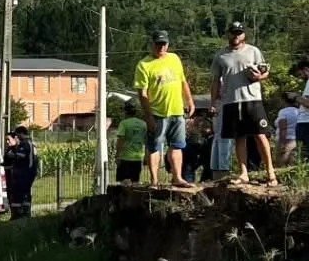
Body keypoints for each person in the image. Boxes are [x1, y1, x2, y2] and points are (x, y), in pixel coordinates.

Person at [208, 21, 276, 185]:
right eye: (233, 32)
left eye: (239, 32)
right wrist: (213, 102)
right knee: (239, 137)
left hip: (252, 99)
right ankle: (243, 173)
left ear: (244, 34)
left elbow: (265, 71)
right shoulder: (220, 55)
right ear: (228, 34)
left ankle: (270, 173)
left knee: (260, 135)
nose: (236, 36)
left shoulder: (253, 51)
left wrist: (260, 77)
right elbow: (215, 81)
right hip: (231, 101)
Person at [134, 30, 195, 187]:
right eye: (158, 44)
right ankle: (154, 180)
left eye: (164, 44)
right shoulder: (144, 64)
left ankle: (178, 177)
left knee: (177, 145)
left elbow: (182, 81)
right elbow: (142, 93)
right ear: (152, 44)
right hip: (158, 113)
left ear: (167, 44)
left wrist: (189, 100)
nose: (161, 47)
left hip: (176, 110)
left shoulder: (174, 58)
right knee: (155, 147)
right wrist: (148, 116)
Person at [3, 126, 39, 219]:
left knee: (18, 194)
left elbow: (19, 157)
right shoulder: (30, 143)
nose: (17, 136)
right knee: (25, 194)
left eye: (17, 134)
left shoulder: (25, 144)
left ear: (22, 133)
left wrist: (12, 155)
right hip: (28, 173)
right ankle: (25, 213)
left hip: (23, 173)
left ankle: (17, 214)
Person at [114, 101, 148, 184]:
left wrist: (117, 155)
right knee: (135, 182)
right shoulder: (143, 124)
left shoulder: (124, 123)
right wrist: (146, 156)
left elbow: (120, 140)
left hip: (125, 157)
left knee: (124, 183)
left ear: (125, 112)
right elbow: (147, 141)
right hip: (138, 157)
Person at [274, 93, 299, 165]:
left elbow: (283, 128)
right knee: (292, 165)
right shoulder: (299, 111)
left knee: (281, 164)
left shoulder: (283, 112)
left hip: (285, 140)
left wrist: (282, 144)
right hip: (295, 141)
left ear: (284, 101)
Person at [296, 60, 309, 161]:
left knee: (305, 153)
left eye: (300, 74)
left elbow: (308, 103)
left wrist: (295, 97)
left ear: (306, 70)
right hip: (304, 122)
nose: (301, 77)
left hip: (306, 122)